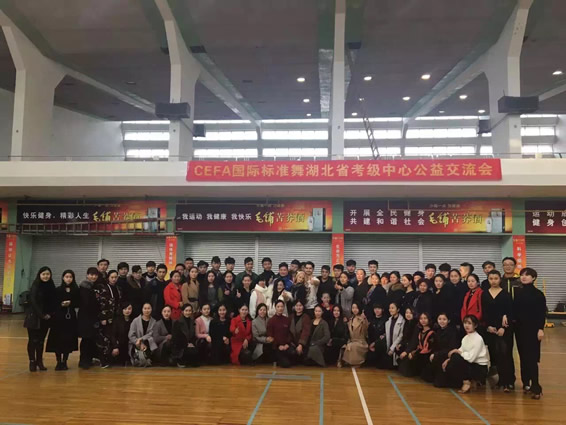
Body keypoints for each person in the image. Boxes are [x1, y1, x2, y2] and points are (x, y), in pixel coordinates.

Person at [514, 267, 546, 400]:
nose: (524, 277)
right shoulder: (518, 293)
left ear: (533, 278)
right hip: (519, 330)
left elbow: (542, 313)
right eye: (522, 275)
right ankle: (526, 383)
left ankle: (536, 387)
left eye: (527, 275)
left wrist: (540, 329)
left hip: (533, 330)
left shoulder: (538, 294)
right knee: (523, 357)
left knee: (532, 359)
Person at [481, 269, 514, 391]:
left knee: (506, 354)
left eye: (496, 278)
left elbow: (510, 312)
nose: (493, 281)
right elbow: (484, 313)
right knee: (495, 355)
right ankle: (501, 380)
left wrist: (503, 328)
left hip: (504, 329)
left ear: (500, 279)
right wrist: (488, 326)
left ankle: (509, 381)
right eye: (491, 279)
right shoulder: (484, 294)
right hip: (491, 329)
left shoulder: (506, 294)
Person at [442, 315, 489, 393]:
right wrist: (448, 359)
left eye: (469, 323)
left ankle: (467, 382)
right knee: (450, 362)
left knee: (456, 358)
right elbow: (461, 350)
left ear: (475, 325)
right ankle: (469, 380)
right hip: (471, 364)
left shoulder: (478, 339)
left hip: (480, 368)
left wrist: (458, 352)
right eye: (465, 323)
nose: (466, 325)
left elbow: (471, 358)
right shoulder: (465, 338)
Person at [46, 269, 78, 371]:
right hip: (59, 318)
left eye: (70, 277)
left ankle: (65, 361)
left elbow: (79, 302)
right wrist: (61, 304)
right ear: (63, 278)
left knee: (68, 340)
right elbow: (52, 304)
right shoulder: (58, 290)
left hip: (70, 318)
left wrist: (71, 303)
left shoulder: (76, 290)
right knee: (58, 340)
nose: (68, 279)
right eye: (66, 277)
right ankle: (58, 361)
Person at [424, 313, 460, 387]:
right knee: (426, 376)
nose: (441, 321)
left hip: (447, 356)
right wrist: (433, 354)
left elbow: (451, 348)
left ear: (448, 320)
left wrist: (436, 354)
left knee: (438, 383)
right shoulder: (438, 330)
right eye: (440, 319)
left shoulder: (453, 331)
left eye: (444, 319)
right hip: (438, 355)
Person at [93, 269, 119, 368]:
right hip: (106, 317)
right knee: (104, 338)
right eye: (112, 277)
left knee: (113, 336)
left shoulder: (118, 288)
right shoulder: (104, 288)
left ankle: (111, 359)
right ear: (108, 278)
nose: (114, 279)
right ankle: (103, 360)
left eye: (115, 277)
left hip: (115, 317)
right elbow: (101, 304)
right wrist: (103, 317)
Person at [398, 312, 435, 378]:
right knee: (404, 363)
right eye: (421, 319)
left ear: (429, 319)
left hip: (426, 355)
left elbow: (428, 349)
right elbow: (418, 345)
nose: (423, 320)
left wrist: (414, 354)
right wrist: (412, 352)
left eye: (425, 318)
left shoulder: (432, 333)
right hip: (419, 352)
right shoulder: (420, 331)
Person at [78, 267, 100, 370]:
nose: (93, 277)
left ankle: (89, 359)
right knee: (86, 339)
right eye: (91, 275)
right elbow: (86, 303)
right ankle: (83, 361)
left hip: (93, 317)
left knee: (91, 339)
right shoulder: (84, 287)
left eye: (95, 275)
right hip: (85, 317)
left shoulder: (95, 287)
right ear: (87, 275)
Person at [377, 302, 405, 369]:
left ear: (398, 309)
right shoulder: (389, 320)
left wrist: (392, 348)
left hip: (397, 346)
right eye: (390, 308)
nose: (390, 310)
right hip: (389, 346)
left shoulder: (402, 321)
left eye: (393, 308)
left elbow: (400, 336)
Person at [128, 303, 157, 367]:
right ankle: (138, 359)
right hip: (136, 343)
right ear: (142, 309)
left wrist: (141, 339)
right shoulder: (135, 321)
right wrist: (139, 342)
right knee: (140, 361)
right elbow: (131, 335)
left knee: (151, 340)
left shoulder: (154, 322)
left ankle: (147, 359)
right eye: (145, 308)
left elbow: (151, 334)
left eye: (148, 308)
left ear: (151, 309)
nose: (147, 310)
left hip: (147, 343)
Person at [267, 300, 293, 368]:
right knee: (286, 364)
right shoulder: (271, 321)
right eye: (278, 307)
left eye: (282, 307)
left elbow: (289, 333)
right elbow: (270, 336)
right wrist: (278, 345)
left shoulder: (287, 320)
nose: (280, 308)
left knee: (295, 356)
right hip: (277, 347)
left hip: (286, 346)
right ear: (275, 307)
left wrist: (287, 344)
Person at [341, 302, 369, 367]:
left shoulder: (362, 319)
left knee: (353, 346)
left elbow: (366, 330)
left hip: (361, 341)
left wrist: (364, 319)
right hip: (352, 340)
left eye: (356, 308)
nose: (354, 309)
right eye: (353, 308)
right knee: (347, 345)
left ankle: (358, 362)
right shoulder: (351, 319)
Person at [289, 299, 312, 364]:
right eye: (297, 305)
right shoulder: (290, 317)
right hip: (292, 343)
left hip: (303, 344)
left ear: (303, 307)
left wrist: (301, 344)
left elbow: (306, 332)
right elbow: (288, 331)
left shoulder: (306, 317)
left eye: (300, 305)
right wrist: (290, 342)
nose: (298, 307)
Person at [112, 302, 133, 366]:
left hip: (130, 344)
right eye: (125, 309)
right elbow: (113, 335)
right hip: (120, 345)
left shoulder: (134, 320)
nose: (127, 311)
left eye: (129, 309)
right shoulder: (117, 320)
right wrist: (115, 346)